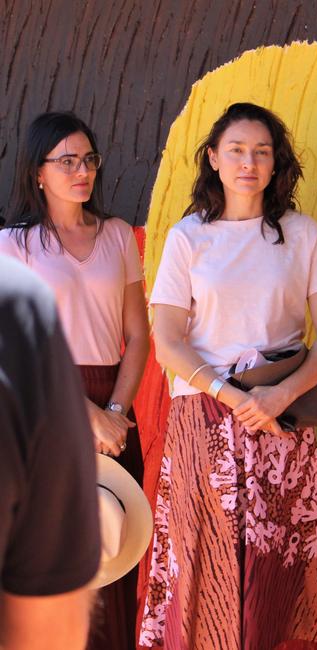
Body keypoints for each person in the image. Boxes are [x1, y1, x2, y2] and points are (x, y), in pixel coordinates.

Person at [139, 102, 317, 649]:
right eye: (236, 150)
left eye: (262, 151)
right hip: (204, 420)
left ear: (277, 163)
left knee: (276, 574)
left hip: (280, 419)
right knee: (201, 567)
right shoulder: (188, 238)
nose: (248, 162)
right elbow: (168, 340)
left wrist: (281, 393)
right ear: (213, 158)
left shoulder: (302, 235)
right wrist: (229, 395)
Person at [0, 112, 150, 650]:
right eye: (66, 161)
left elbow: (139, 335)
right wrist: (88, 415)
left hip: (116, 405)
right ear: (38, 172)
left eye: (89, 159)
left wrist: (115, 411)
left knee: (114, 548)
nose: (81, 171)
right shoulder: (12, 245)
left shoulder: (116, 236)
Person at [0, 254, 101, 650]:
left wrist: (114, 410)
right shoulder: (16, 307)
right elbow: (48, 634)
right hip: (64, 393)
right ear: (37, 184)